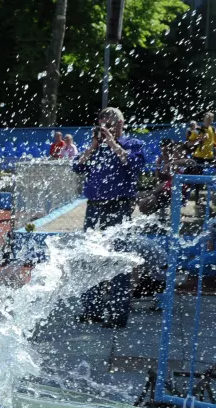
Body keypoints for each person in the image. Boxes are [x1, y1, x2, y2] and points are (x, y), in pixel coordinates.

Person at [71, 107, 145, 328]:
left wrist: (113, 143)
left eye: (110, 124)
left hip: (119, 205)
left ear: (120, 124)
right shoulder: (97, 148)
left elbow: (134, 165)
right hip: (94, 206)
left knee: (117, 258)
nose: (106, 129)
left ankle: (116, 314)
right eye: (103, 124)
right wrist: (93, 146)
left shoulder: (132, 144)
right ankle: (91, 309)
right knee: (90, 256)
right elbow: (77, 166)